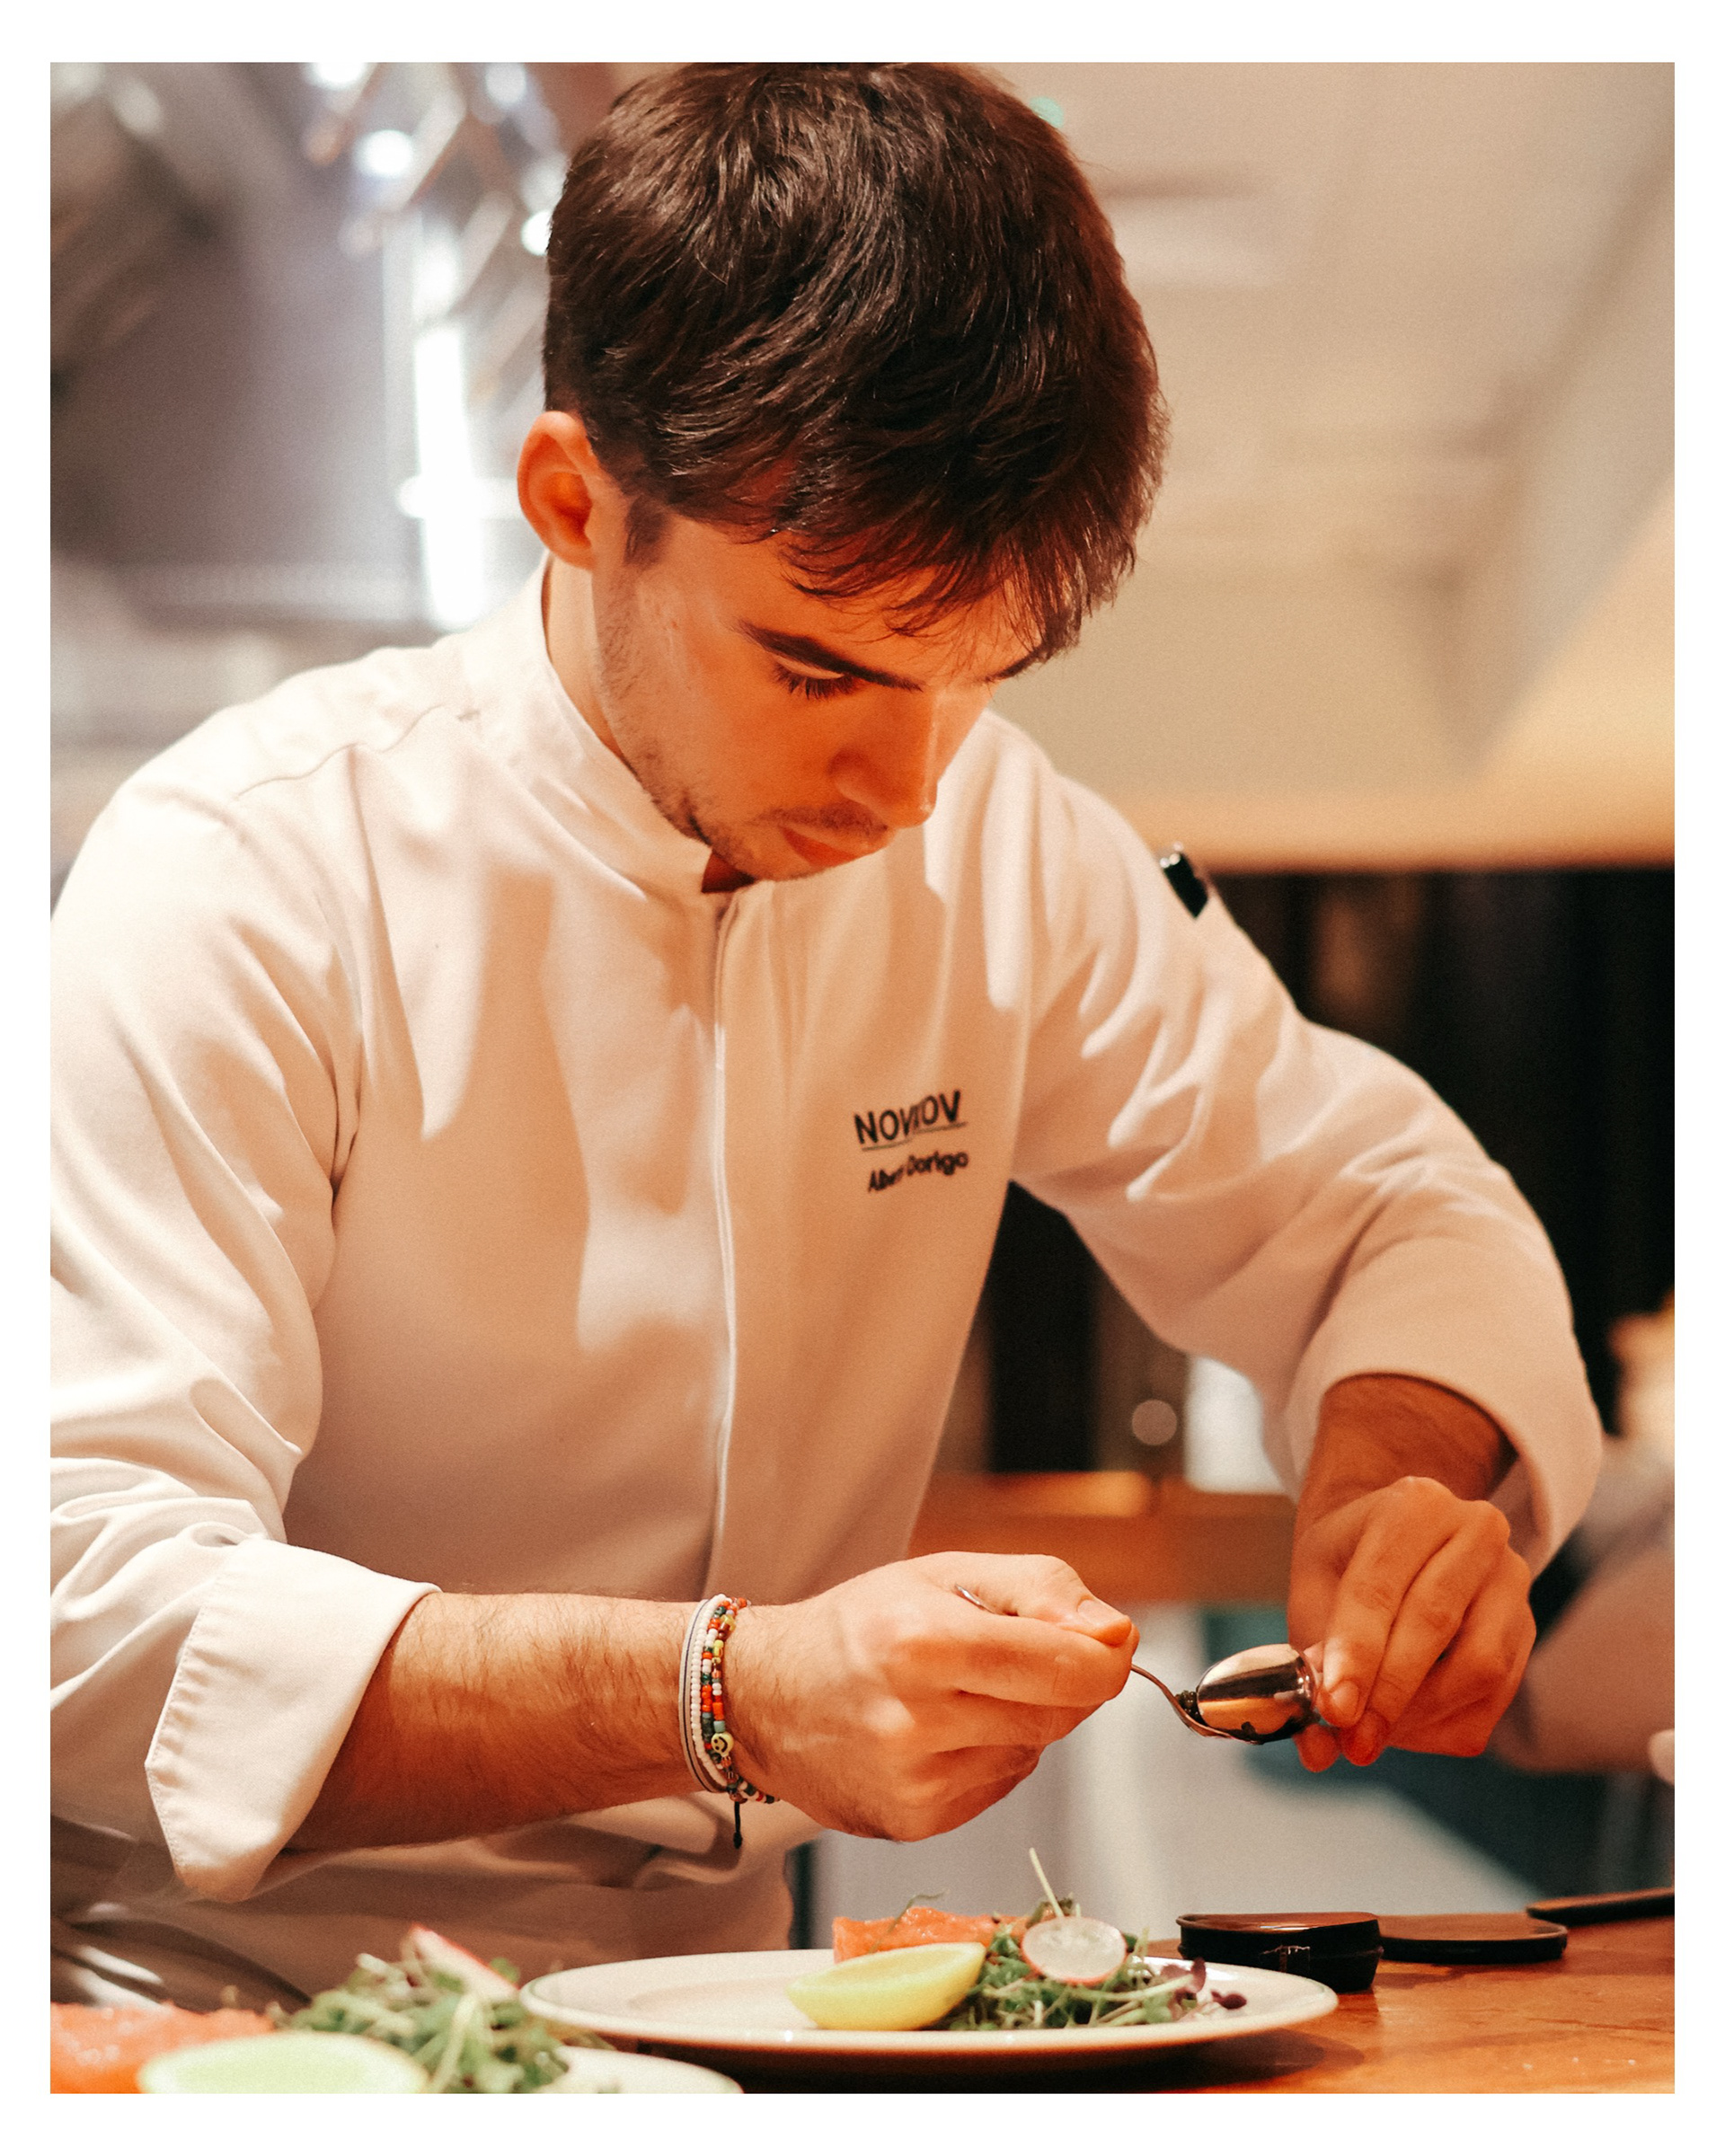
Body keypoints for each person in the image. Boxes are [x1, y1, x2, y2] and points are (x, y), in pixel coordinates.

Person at [52, 63, 1601, 1997]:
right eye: (815, 670)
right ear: (575, 504)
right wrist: (723, 1695)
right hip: (227, 1997)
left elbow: (1388, 1206)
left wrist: (1400, 1484)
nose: (910, 788)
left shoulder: (1004, 846)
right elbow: (83, 1605)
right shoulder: (248, 870)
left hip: (731, 1998)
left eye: (979, 679)